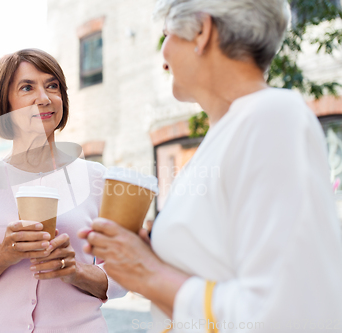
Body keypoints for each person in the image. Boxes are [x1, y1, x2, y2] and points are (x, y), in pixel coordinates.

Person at [79, 1, 342, 332]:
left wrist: (146, 272)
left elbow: (284, 313)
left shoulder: (272, 116)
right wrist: (144, 258)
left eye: (167, 36)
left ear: (201, 32)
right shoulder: (224, 137)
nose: (164, 57)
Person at [0, 49, 125, 332]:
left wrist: (75, 271)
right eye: (27, 87)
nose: (44, 97)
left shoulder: (96, 178)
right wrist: (2, 255)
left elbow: (124, 275)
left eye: (53, 86)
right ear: (5, 103)